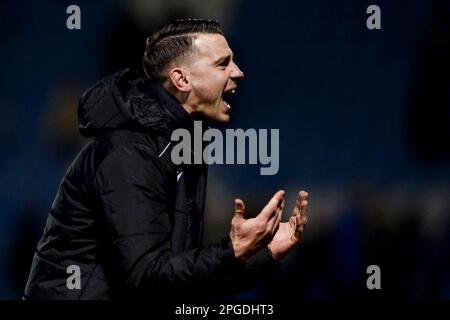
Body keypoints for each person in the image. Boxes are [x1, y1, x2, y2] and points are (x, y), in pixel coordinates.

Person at [24, 19, 309, 300]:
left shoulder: (187, 144)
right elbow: (146, 277)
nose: (238, 72)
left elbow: (180, 281)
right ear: (182, 79)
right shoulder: (130, 151)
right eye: (222, 64)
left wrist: (266, 254)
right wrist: (230, 250)